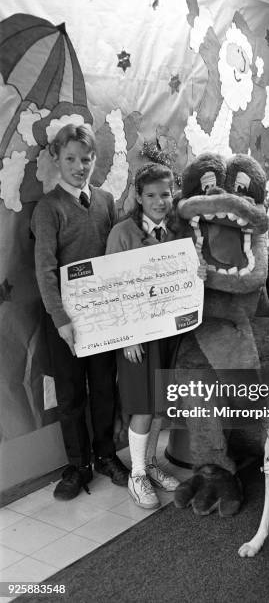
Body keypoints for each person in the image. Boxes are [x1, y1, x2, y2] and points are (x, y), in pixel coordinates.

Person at [31, 124, 129, 501]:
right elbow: (43, 268)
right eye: (70, 158)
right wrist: (61, 321)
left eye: (86, 159)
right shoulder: (48, 208)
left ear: (94, 160)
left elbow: (119, 253)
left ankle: (106, 454)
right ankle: (78, 464)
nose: (79, 166)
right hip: (66, 322)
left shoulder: (105, 201)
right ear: (56, 159)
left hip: (102, 318)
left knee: (104, 387)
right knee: (71, 395)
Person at [106, 163, 206, 510]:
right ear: (138, 196)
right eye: (151, 195)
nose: (159, 201)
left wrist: (200, 272)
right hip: (137, 337)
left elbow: (189, 280)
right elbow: (112, 288)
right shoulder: (122, 233)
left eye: (165, 194)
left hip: (170, 332)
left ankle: (149, 464)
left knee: (162, 403)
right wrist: (127, 338)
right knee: (143, 406)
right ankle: (136, 475)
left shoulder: (181, 232)